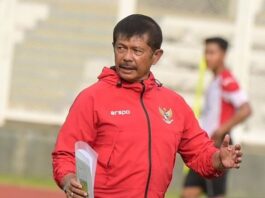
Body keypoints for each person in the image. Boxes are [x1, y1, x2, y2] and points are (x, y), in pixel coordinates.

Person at [52, 15, 243, 198]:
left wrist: (218, 159)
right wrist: (69, 179)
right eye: (121, 48)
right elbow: (64, 153)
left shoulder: (173, 104)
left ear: (156, 56)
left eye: (137, 51)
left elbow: (199, 152)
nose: (127, 57)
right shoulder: (91, 98)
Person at [182, 37, 251, 198]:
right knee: (188, 193)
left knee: (215, 194)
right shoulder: (215, 81)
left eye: (212, 53)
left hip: (218, 146)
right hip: (204, 146)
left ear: (223, 55)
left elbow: (245, 109)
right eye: (206, 52)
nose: (207, 57)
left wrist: (220, 131)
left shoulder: (226, 80)